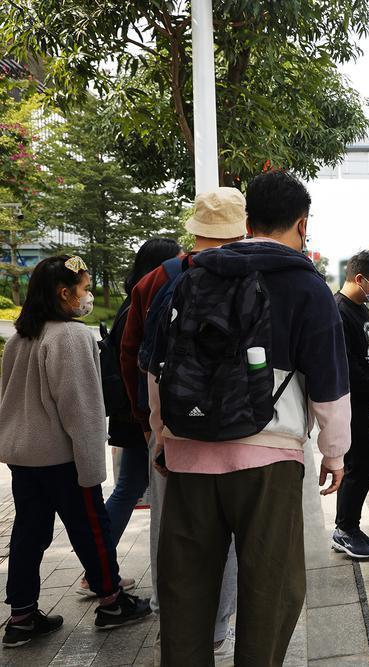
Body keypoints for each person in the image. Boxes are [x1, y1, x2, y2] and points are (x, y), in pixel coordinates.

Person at [153, 170, 351, 665]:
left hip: (190, 452)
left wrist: (163, 436)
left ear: (247, 220)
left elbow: (158, 369)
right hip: (269, 458)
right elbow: (330, 385)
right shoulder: (308, 288)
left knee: (186, 593)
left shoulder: (188, 276)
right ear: (302, 224)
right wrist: (335, 454)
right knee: (271, 590)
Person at [119, 189, 246, 662]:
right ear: (241, 229)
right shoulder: (255, 274)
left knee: (170, 528)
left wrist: (148, 426)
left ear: (193, 230)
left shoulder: (158, 279)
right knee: (229, 533)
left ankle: (171, 616)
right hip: (240, 429)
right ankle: (218, 625)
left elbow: (133, 353)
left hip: (171, 429)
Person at [0, 256, 152, 648]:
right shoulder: (71, 337)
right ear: (64, 294)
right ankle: (112, 601)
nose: (86, 297)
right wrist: (91, 469)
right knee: (92, 529)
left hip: (23, 455)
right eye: (84, 290)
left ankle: (21, 615)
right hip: (61, 457)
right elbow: (82, 409)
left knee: (28, 533)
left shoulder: (20, 338)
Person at [77, 237, 182, 598]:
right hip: (136, 415)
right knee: (128, 490)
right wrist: (145, 418)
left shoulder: (133, 300)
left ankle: (97, 570)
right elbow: (134, 365)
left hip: (132, 414)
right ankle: (97, 571)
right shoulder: (143, 302)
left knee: (131, 488)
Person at [332, 250, 369, 559]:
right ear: (359, 278)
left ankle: (349, 526)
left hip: (363, 402)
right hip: (348, 403)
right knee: (361, 464)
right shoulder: (339, 311)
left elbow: (368, 359)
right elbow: (347, 366)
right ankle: (344, 529)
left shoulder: (361, 309)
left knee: (365, 463)